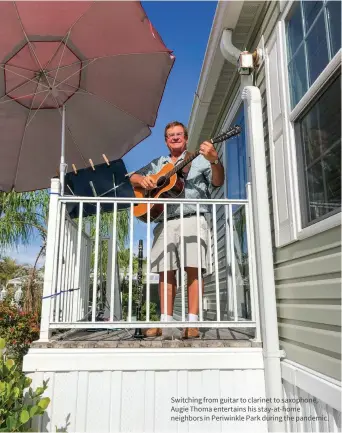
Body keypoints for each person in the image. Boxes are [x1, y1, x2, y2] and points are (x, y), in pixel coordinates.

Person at [130, 121, 224, 338]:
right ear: (165, 140)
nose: (175, 137)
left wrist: (215, 160)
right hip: (165, 221)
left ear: (186, 138)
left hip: (192, 216)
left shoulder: (200, 160)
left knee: (194, 268)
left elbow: (218, 182)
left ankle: (192, 323)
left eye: (179, 134)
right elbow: (132, 177)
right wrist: (144, 180)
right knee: (165, 272)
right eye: (170, 135)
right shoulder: (158, 163)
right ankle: (165, 322)